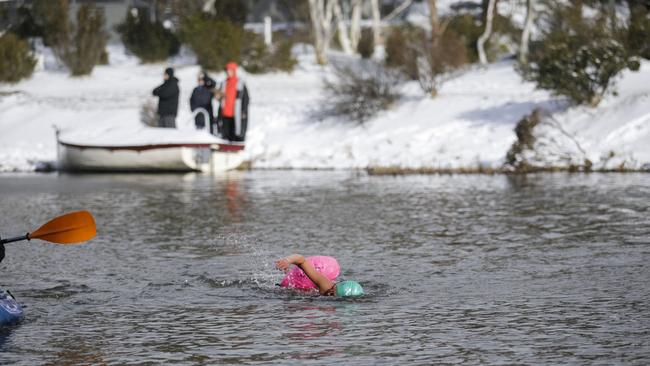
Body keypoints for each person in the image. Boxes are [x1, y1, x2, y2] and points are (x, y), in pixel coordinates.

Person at [275, 254, 364, 297]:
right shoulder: (325, 286)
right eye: (332, 294)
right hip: (317, 269)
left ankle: (289, 273)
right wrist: (287, 260)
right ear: (332, 291)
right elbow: (301, 260)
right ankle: (289, 272)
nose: (330, 294)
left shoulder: (330, 292)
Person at [216, 62, 249, 141]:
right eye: (227, 70)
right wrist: (218, 97)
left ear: (234, 71)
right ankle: (226, 148)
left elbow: (246, 98)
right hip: (225, 113)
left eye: (230, 70)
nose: (228, 72)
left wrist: (244, 110)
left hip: (236, 113)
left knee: (236, 132)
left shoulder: (240, 83)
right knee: (225, 133)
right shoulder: (224, 83)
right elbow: (220, 96)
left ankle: (235, 148)